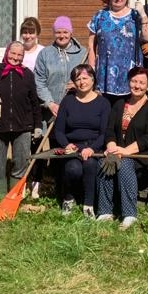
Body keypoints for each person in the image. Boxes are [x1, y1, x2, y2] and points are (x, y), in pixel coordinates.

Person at [96, 66, 148, 229]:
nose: (137, 85)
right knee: (104, 163)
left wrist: (125, 151)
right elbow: (110, 129)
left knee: (125, 163)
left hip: (145, 156)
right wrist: (112, 146)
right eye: (134, 81)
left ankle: (129, 214)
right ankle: (105, 211)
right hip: (120, 152)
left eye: (142, 83)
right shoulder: (120, 104)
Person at [0, 41, 42, 201]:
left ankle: (13, 198)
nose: (15, 57)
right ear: (7, 52)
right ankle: (2, 199)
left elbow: (34, 102)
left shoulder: (27, 75)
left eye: (19, 55)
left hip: (22, 126)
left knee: (20, 164)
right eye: (13, 53)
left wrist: (37, 125)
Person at [51, 63, 112, 216]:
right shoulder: (68, 101)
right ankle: (69, 198)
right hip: (72, 147)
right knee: (73, 169)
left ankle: (88, 205)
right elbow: (58, 130)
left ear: (93, 80)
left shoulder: (103, 103)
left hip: (93, 148)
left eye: (85, 78)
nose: (82, 82)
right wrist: (66, 144)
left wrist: (92, 148)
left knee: (90, 165)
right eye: (78, 79)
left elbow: (105, 133)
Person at [87, 0, 148, 102]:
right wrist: (92, 66)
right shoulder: (100, 16)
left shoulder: (135, 15)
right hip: (105, 72)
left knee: (129, 107)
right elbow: (91, 44)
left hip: (130, 71)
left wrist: (143, 14)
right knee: (106, 107)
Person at [34, 17, 87, 121]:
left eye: (65, 32)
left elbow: (90, 79)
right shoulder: (45, 54)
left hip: (77, 109)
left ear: (71, 33)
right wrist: (50, 103)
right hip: (51, 113)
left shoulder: (83, 54)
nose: (62, 36)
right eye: (58, 32)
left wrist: (79, 84)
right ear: (54, 33)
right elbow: (39, 82)